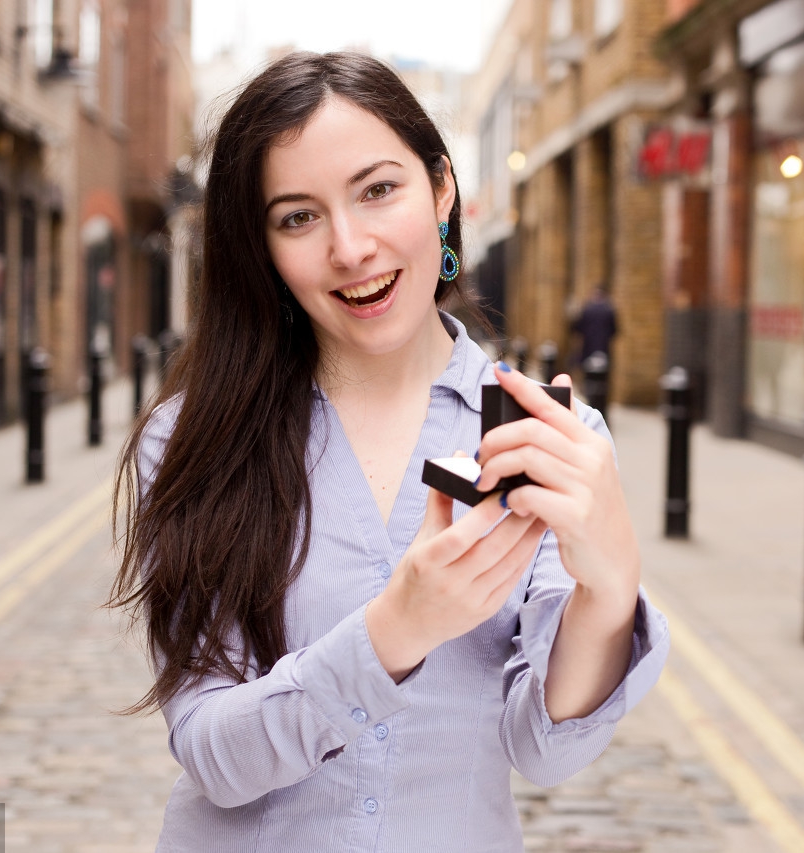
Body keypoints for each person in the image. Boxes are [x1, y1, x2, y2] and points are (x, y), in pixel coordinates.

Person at [110, 52, 668, 853]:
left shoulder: (541, 431)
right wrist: (391, 633)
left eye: (378, 190)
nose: (351, 247)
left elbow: (547, 747)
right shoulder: (190, 439)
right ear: (261, 247)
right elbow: (212, 755)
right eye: (298, 216)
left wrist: (611, 584)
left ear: (441, 189)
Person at [571, 284, 618, 370]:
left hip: (588, 345)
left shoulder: (587, 309)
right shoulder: (609, 310)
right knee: (601, 372)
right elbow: (614, 330)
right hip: (603, 346)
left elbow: (578, 328)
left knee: (588, 371)